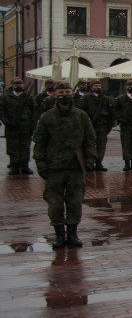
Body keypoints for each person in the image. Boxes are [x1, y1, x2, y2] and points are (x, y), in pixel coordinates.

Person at [33, 82, 97, 249]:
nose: (65, 94)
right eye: (61, 92)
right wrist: (41, 164)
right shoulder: (47, 117)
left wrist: (90, 160)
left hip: (76, 166)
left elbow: (90, 140)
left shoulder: (81, 115)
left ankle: (73, 233)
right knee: (54, 202)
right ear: (55, 94)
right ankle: (59, 235)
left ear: (72, 93)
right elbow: (39, 143)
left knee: (75, 201)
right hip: (54, 167)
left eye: (68, 91)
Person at [1, 77, 36, 174]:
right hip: (12, 127)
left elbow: (34, 111)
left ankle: (25, 165)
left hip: (25, 126)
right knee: (13, 147)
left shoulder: (28, 97)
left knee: (25, 146)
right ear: (12, 86)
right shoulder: (6, 97)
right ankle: (14, 165)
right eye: (16, 84)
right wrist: (7, 122)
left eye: (20, 84)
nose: (18, 86)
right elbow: (2, 111)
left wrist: (32, 124)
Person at [78, 80, 114, 171]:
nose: (97, 87)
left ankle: (99, 163)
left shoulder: (104, 98)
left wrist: (109, 126)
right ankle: (90, 163)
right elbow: (80, 111)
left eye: (98, 85)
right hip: (91, 126)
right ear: (91, 87)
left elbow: (110, 113)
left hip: (102, 126)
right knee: (90, 145)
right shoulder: (86, 98)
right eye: (95, 85)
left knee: (101, 145)